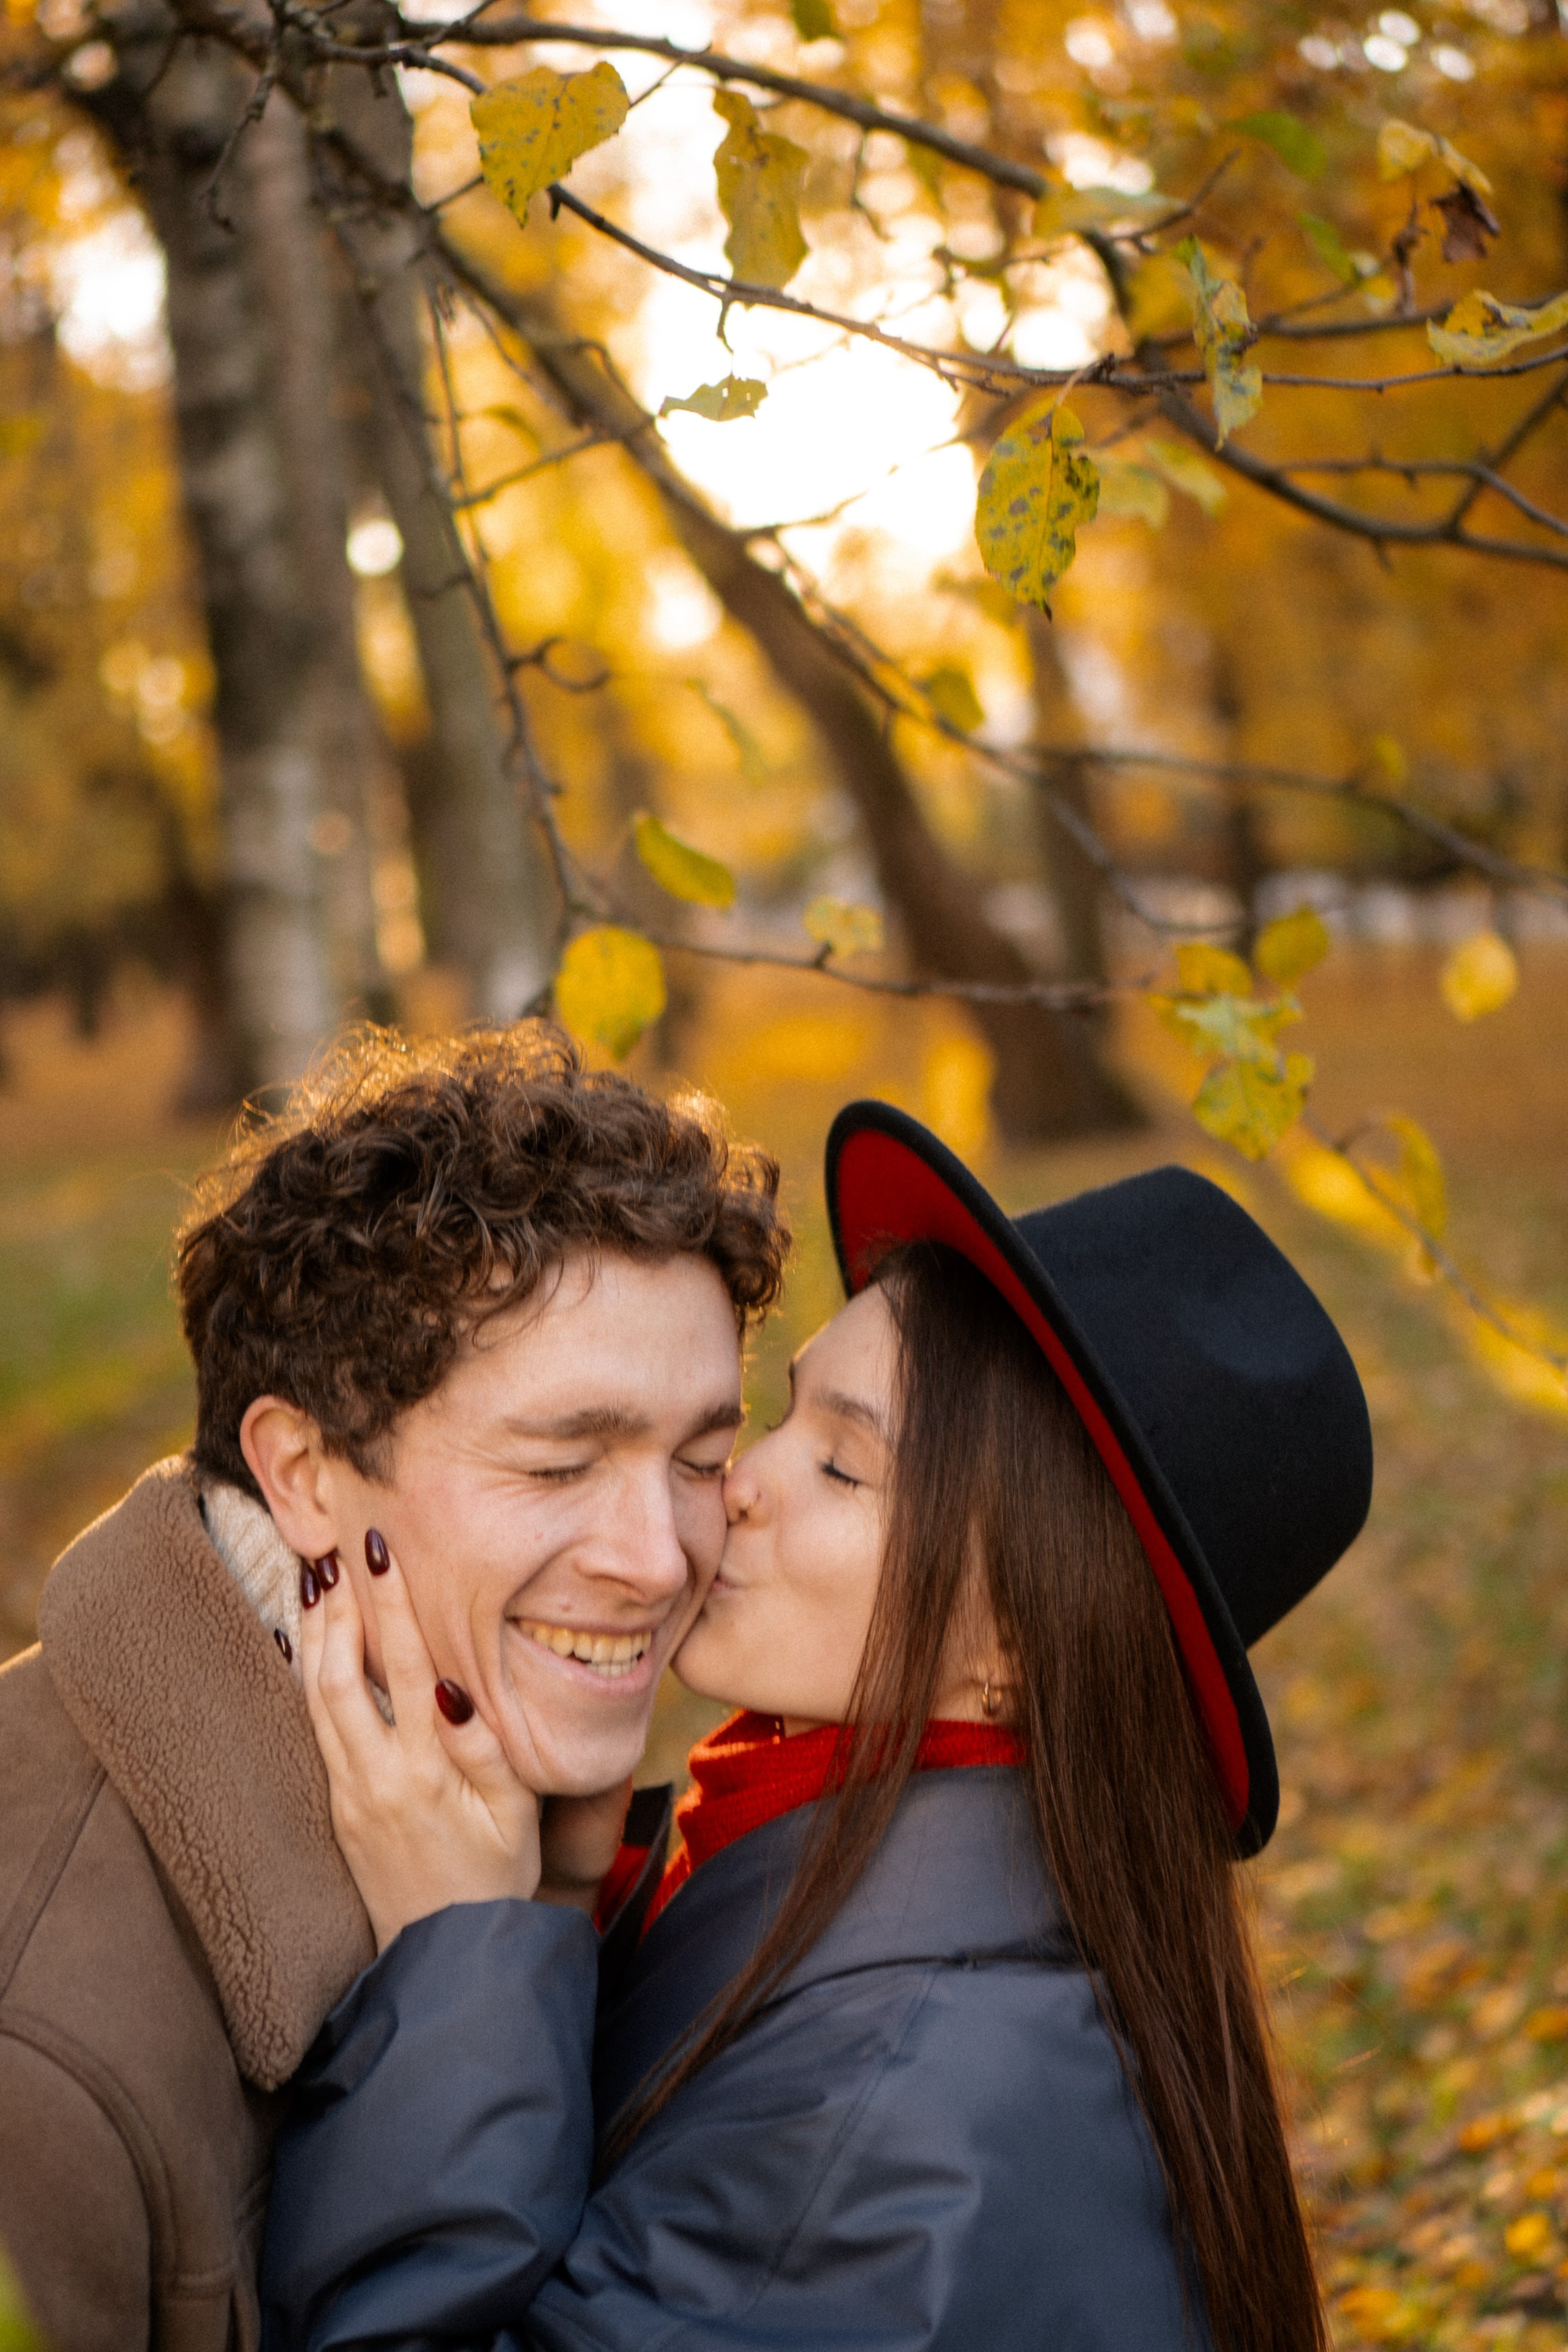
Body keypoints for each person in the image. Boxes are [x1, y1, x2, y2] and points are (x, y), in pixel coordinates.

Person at [261, 1099, 1375, 2352]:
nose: (735, 1486)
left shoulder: (892, 2121)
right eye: (781, 1419)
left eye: (842, 1469)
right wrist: (567, 1906)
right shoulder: (834, 1873)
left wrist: (454, 1961)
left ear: (1016, 1647)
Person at [0, 1024, 786, 2352]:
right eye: (556, 1466)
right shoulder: (42, 2060)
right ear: (304, 1476)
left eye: (701, 1458)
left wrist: (547, 1919)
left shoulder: (541, 1837)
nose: (659, 1562)